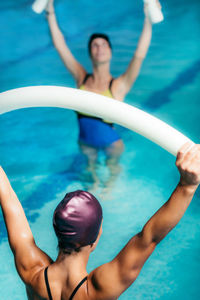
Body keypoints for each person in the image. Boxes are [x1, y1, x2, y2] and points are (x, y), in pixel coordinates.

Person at [1, 142, 200, 300]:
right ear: (96, 237)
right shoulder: (99, 290)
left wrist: (186, 187)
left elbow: (8, 199)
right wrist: (187, 186)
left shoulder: (31, 271)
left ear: (58, 230)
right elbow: (149, 238)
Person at [45, 0, 159, 193]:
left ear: (111, 52)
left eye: (104, 45)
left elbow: (139, 54)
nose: (100, 48)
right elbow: (60, 46)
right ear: (90, 53)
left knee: (110, 183)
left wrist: (148, 18)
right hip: (84, 142)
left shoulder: (118, 86)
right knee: (89, 181)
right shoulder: (81, 77)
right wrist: (50, 12)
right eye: (95, 45)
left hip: (112, 145)